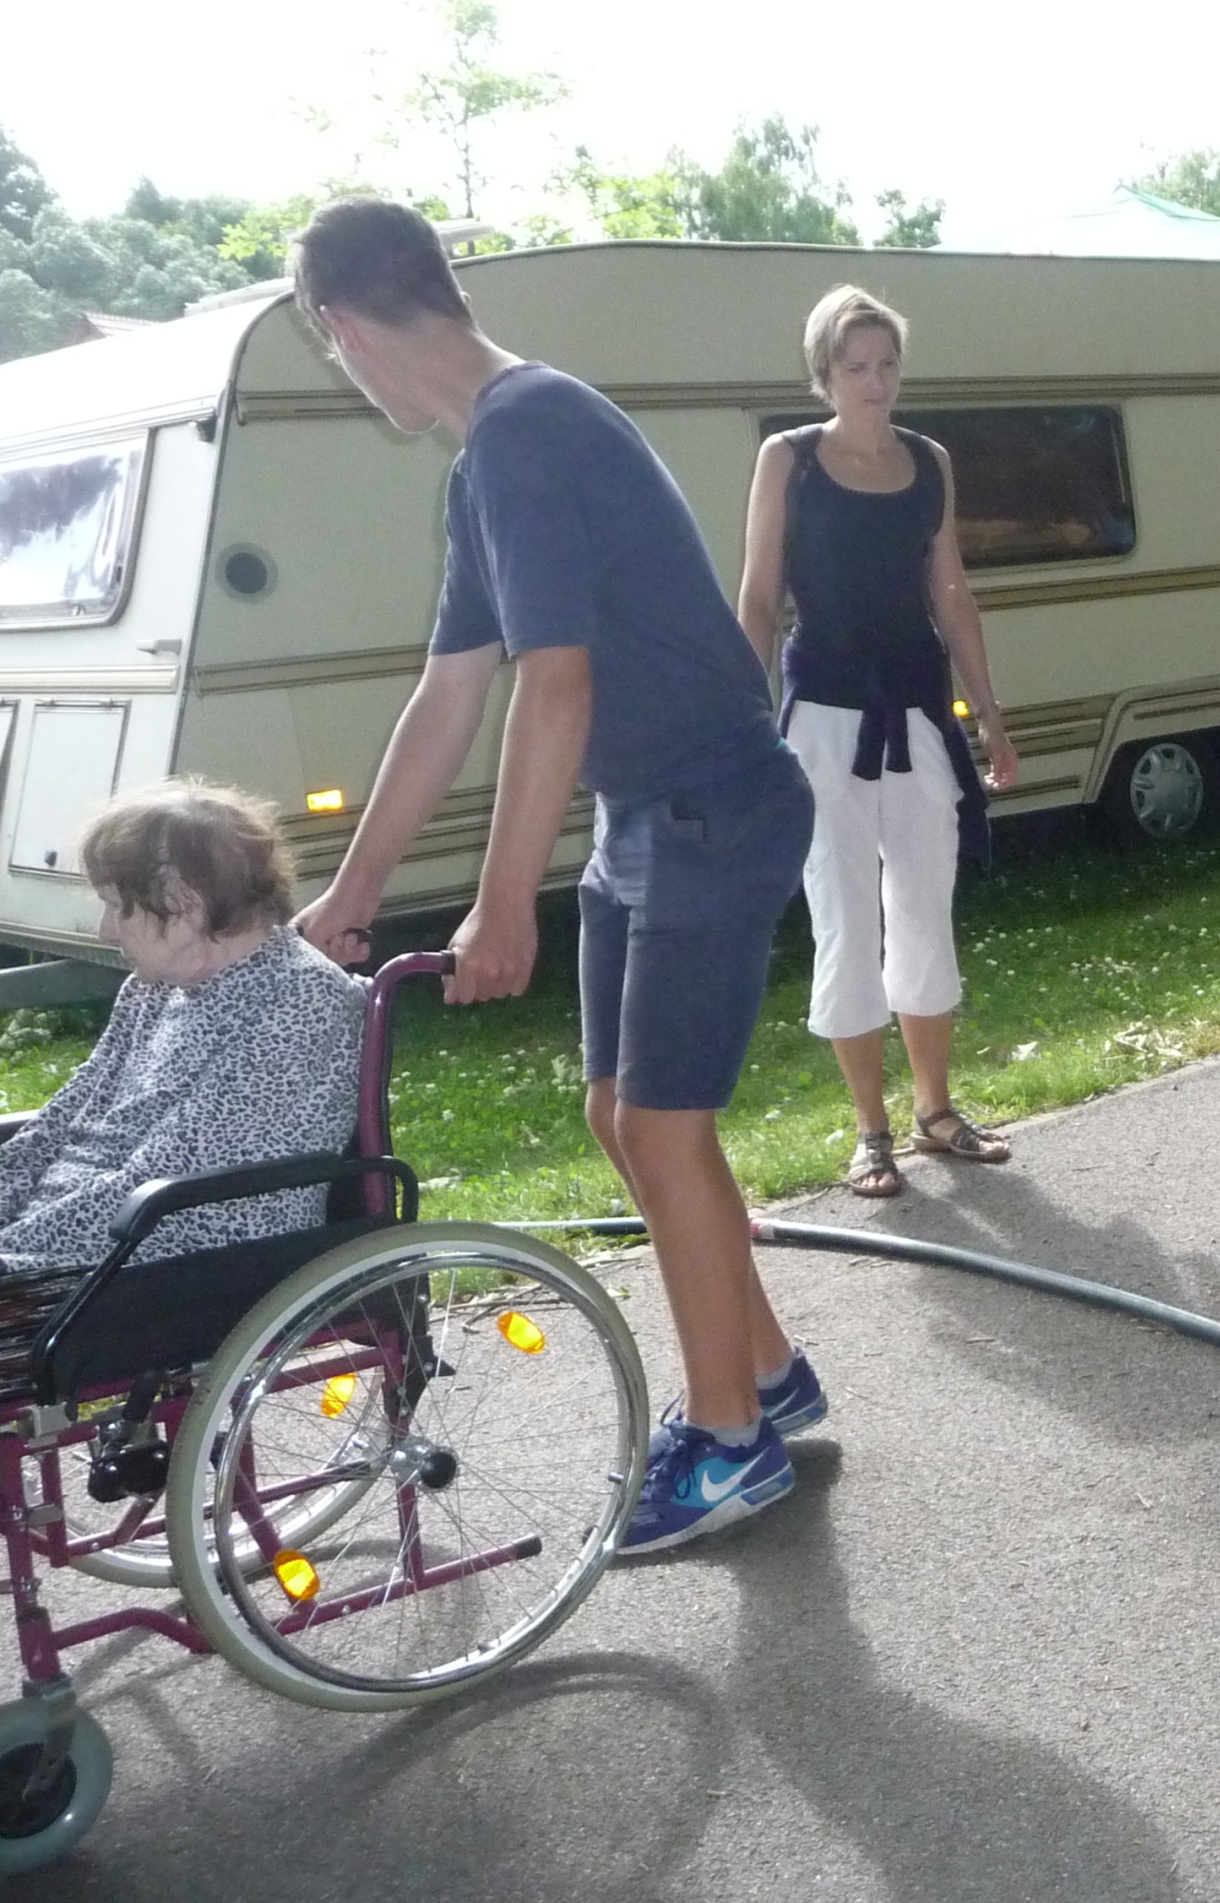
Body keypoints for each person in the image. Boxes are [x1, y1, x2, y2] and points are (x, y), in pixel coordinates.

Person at [285, 198, 825, 1554]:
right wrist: (352, 893)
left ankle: (727, 1446)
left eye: (331, 350)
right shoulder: (491, 455)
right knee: (617, 1112)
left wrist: (500, 897)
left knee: (661, 1125)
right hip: (650, 814)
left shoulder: (529, 432)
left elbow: (558, 685)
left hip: (712, 806)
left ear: (343, 327)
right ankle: (766, 1374)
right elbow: (449, 696)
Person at [739, 286, 1020, 1199]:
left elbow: (952, 595)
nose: (875, 381)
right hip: (823, 721)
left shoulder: (930, 462)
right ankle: (871, 1134)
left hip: (917, 714)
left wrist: (989, 715)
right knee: (846, 923)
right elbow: (758, 596)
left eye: (887, 363)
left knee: (924, 915)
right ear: (825, 374)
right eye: (856, 366)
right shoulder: (789, 461)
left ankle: (936, 1111)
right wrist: (743, 721)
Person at [0, 782, 363, 1274]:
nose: (105, 931)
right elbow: (61, 1123)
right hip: (75, 1245)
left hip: (179, 1253)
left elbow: (170, 1178)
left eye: (116, 906)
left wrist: (12, 1252)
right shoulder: (151, 989)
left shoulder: (300, 998)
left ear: (185, 904)